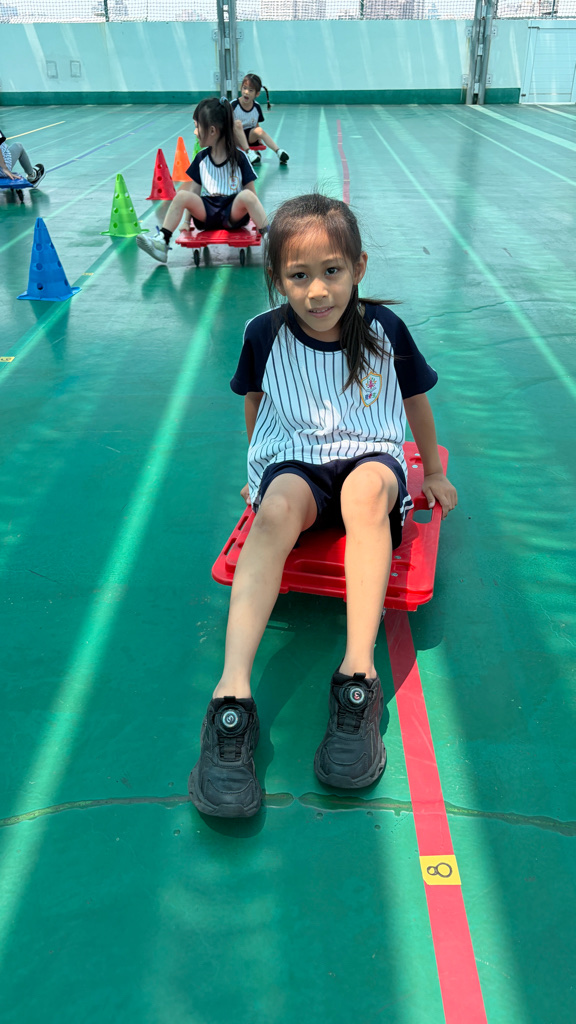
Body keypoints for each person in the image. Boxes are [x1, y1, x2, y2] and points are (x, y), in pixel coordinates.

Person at [188, 193, 458, 818]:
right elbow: (255, 400)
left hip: (368, 457)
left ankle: (358, 676)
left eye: (331, 271)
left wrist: (435, 469)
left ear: (358, 267)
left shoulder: (384, 331)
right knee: (275, 512)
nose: (317, 291)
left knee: (366, 495)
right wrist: (256, 471)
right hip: (298, 461)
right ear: (276, 277)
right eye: (299, 275)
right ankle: (232, 697)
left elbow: (414, 398)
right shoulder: (263, 333)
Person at [136, 97, 268, 264]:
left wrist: (256, 221)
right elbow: (194, 195)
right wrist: (186, 222)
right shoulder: (200, 159)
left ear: (212, 130)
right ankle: (162, 241)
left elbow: (252, 196)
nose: (195, 132)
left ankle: (270, 238)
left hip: (233, 212)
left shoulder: (240, 157)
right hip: (208, 211)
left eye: (197, 126)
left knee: (247, 195)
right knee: (182, 195)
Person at [231, 74, 289, 166]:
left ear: (257, 94)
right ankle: (249, 152)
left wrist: (259, 137)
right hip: (234, 137)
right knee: (237, 123)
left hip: (249, 136)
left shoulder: (256, 107)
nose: (246, 92)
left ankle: (278, 151)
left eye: (250, 90)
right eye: (244, 88)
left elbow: (256, 123)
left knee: (259, 130)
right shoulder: (233, 105)